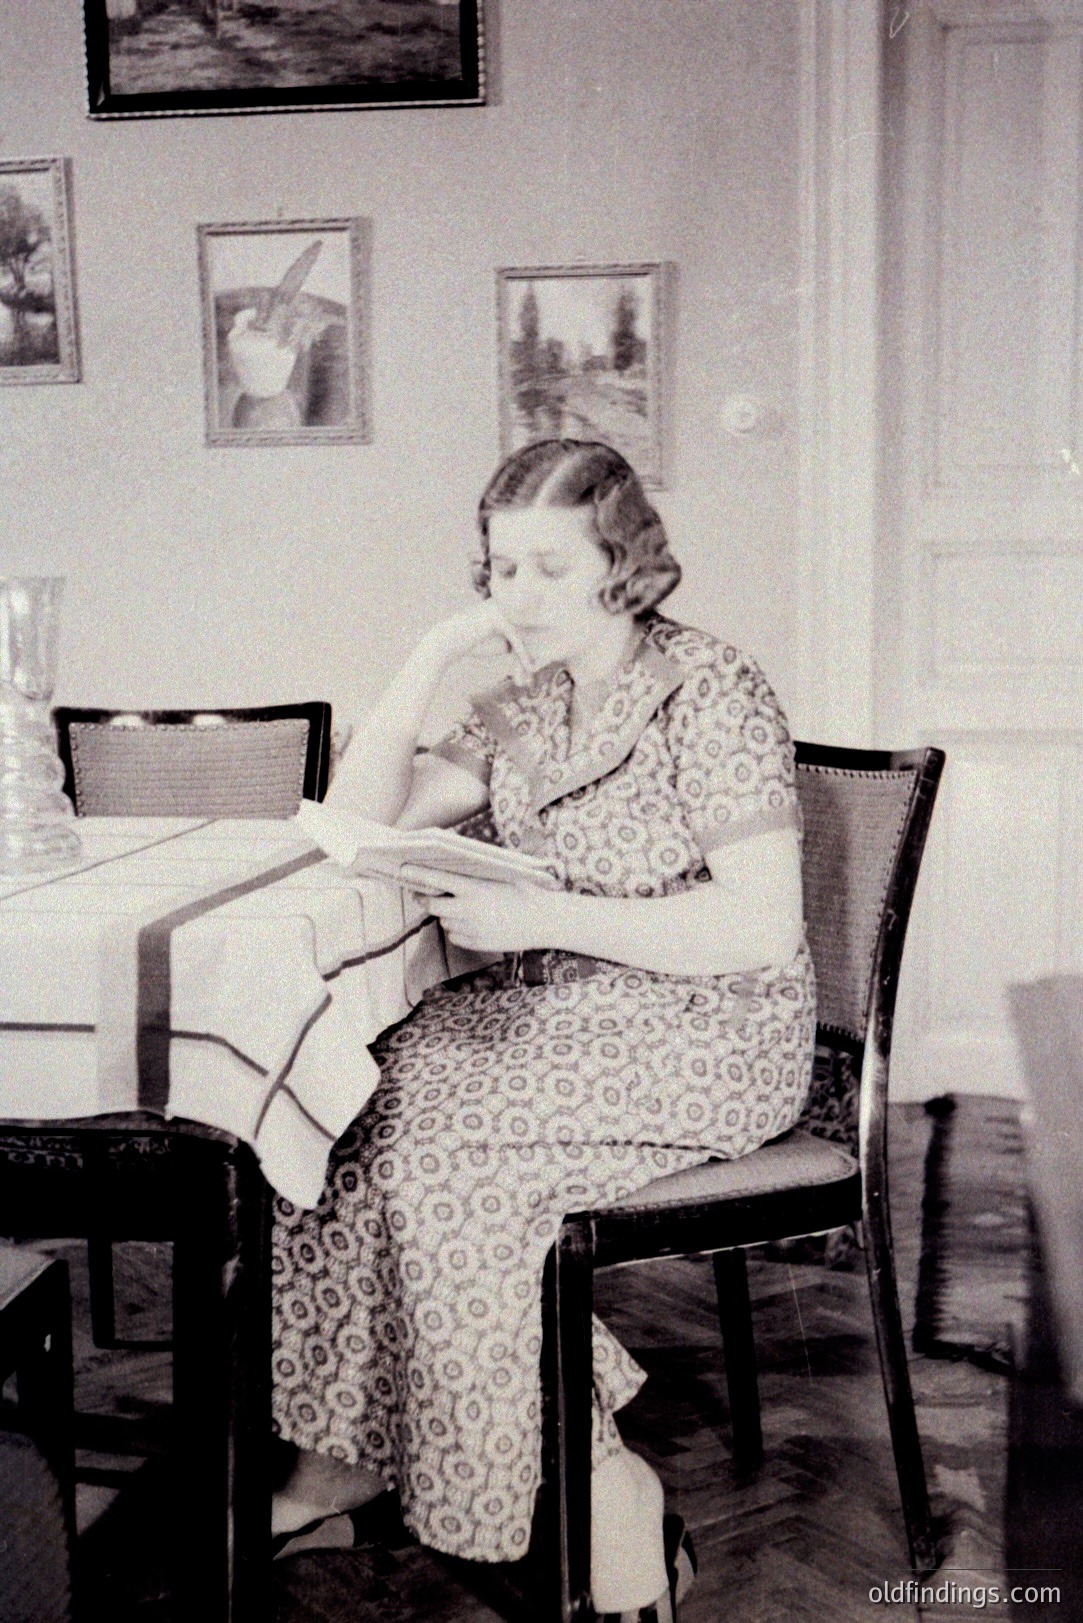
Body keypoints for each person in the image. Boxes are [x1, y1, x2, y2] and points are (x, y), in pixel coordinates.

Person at [271, 439, 815, 1621]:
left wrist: (534, 912)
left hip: (708, 1026)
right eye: (498, 570)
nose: (516, 597)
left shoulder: (712, 688)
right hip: (557, 1018)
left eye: (548, 570)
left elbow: (761, 928)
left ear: (623, 566)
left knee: (440, 1161)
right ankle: (346, 1455)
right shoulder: (525, 697)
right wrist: (427, 658)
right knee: (323, 1090)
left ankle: (606, 1498)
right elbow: (355, 828)